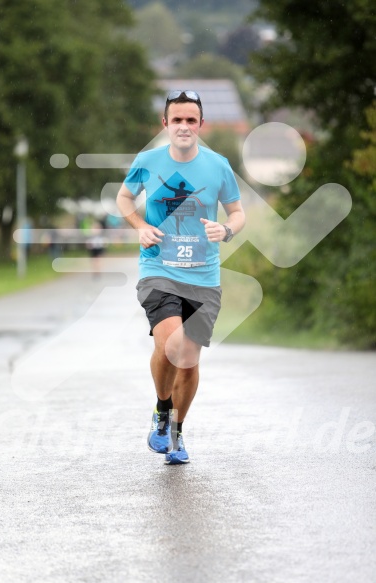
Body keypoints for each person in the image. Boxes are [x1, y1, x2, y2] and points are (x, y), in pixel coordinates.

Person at [116, 90, 245, 465]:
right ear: (165, 124)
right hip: (158, 269)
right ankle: (161, 410)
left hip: (204, 276)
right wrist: (139, 226)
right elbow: (124, 199)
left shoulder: (218, 165)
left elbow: (237, 212)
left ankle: (175, 433)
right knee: (171, 343)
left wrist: (227, 229)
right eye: (178, 120)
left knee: (188, 359)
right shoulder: (148, 161)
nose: (184, 126)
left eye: (191, 120)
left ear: (201, 125)